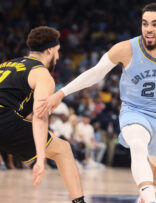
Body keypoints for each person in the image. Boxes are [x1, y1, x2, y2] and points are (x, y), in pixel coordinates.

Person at [37, 3, 156, 203]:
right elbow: (96, 73)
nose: (149, 29)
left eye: (155, 24)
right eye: (145, 24)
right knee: (137, 144)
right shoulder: (125, 49)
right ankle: (151, 200)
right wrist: (61, 93)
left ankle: (146, 196)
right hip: (135, 111)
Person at [0, 26, 85, 203]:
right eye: (58, 51)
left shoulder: (6, 64)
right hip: (4, 120)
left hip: (6, 117)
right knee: (63, 150)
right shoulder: (42, 74)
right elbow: (40, 117)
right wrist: (41, 159)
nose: (59, 57)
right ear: (49, 50)